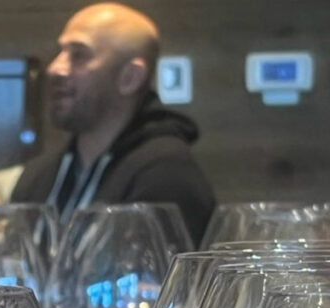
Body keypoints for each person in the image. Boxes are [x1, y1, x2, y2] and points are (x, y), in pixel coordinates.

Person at [12, 3, 215, 244]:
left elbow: (159, 278)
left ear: (130, 78)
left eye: (79, 55)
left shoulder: (168, 176)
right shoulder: (38, 175)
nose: (55, 68)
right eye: (60, 52)